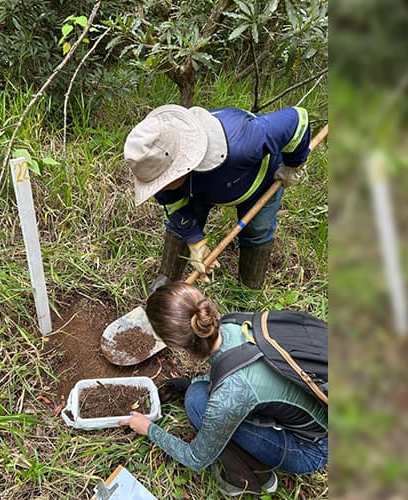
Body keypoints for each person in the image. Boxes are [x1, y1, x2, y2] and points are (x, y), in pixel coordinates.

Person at [119, 282, 328, 497]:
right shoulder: (235, 323)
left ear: (175, 345)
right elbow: (236, 368)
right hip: (320, 410)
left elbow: (196, 459)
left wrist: (148, 429)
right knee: (197, 391)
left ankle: (251, 478)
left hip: (312, 449)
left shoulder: (229, 396)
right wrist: (190, 384)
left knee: (198, 405)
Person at [124, 104, 315, 289]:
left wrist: (293, 164)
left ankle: (249, 290)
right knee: (179, 225)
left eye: (163, 181)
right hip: (201, 186)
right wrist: (194, 239)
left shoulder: (244, 142)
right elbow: (173, 203)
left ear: (179, 165)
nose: (160, 188)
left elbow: (298, 119)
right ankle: (167, 280)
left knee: (257, 229)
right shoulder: (155, 164)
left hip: (258, 181)